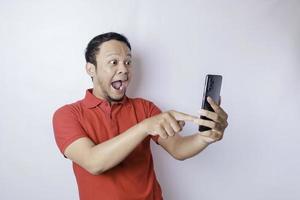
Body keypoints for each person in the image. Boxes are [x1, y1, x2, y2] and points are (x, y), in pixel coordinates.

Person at [52, 32, 228, 200]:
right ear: (91, 69)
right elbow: (93, 162)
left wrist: (205, 137)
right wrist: (144, 127)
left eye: (128, 62)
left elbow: (179, 148)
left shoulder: (145, 108)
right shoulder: (67, 115)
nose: (124, 69)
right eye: (113, 62)